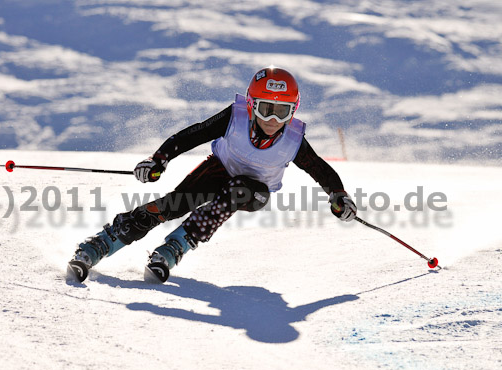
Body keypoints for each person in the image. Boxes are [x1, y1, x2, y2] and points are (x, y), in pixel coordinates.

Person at [67, 67, 357, 283]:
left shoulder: (293, 139)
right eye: (265, 109)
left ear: (292, 112)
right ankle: (103, 243)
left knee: (239, 191)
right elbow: (194, 133)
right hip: (219, 170)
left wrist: (338, 196)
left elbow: (320, 169)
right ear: (251, 105)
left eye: (281, 112)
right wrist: (159, 159)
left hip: (255, 191)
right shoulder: (236, 117)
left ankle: (176, 247)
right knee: (172, 205)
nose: (272, 120)